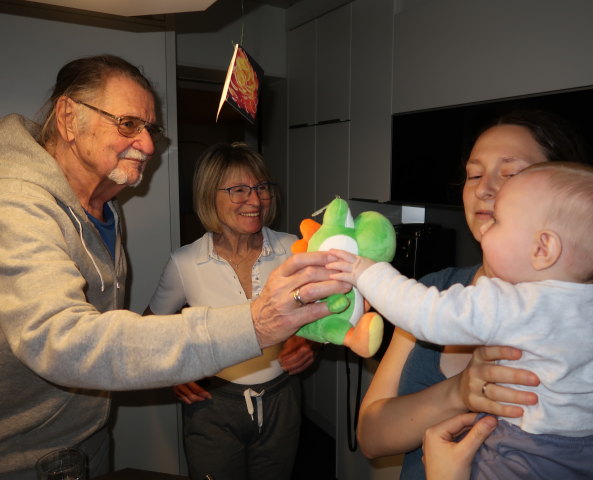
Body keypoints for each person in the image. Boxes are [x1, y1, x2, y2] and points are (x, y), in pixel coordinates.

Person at [0, 54, 348, 480]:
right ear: (69, 117)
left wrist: (306, 341)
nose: (148, 145)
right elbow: (62, 340)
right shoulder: (16, 203)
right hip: (21, 457)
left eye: (151, 129)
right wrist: (253, 326)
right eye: (128, 123)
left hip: (87, 438)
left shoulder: (105, 206)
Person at [330, 161, 593, 478]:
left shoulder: (516, 302)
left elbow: (423, 312)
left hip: (531, 454)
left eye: (499, 220)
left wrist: (363, 271)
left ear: (543, 247)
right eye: (474, 175)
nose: (485, 191)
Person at [145, 142, 318, 480]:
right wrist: (174, 371)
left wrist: (310, 343)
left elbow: (323, 314)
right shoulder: (185, 263)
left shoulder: (293, 248)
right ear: (211, 195)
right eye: (239, 190)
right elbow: (150, 329)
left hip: (282, 400)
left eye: (261, 188)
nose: (255, 201)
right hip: (213, 406)